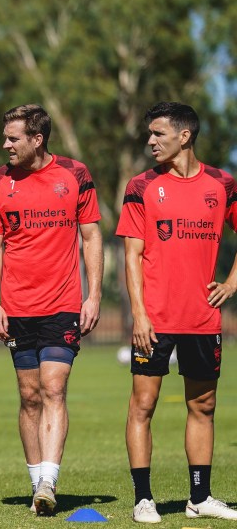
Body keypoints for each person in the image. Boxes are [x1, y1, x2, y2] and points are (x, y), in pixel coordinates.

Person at [0, 104, 103, 516]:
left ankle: (49, 480)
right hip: (16, 307)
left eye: (13, 138)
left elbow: (91, 237)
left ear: (37, 139)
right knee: (29, 395)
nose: (5, 145)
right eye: (5, 137)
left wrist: (94, 295)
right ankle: (38, 485)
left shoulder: (75, 174)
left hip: (62, 304)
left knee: (53, 387)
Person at [117, 101, 237, 523]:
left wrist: (232, 282)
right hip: (155, 319)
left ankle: (199, 498)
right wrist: (139, 315)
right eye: (150, 134)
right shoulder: (141, 186)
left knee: (203, 406)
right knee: (143, 405)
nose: (151, 141)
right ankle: (143, 499)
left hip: (202, 319)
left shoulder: (223, 184)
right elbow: (131, 256)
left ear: (184, 136)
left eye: (159, 133)